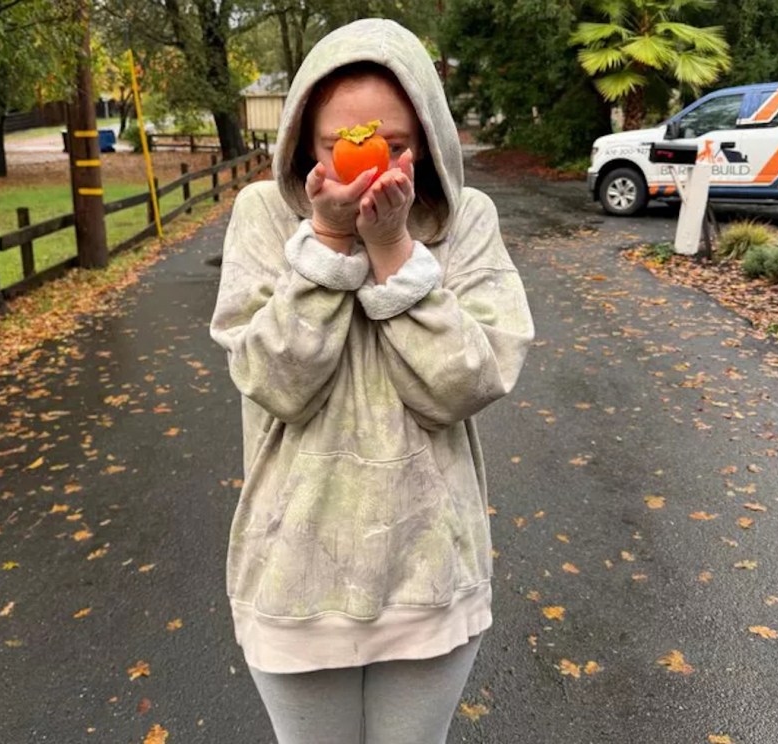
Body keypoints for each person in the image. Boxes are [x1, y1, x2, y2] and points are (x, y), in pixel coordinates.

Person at [210, 17, 534, 744]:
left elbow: (465, 384)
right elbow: (272, 380)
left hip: (428, 571)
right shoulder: (263, 216)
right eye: (338, 145)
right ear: (302, 143)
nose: (366, 161)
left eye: (394, 143)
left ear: (429, 137)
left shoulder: (467, 219)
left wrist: (392, 249)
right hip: (295, 574)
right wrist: (327, 243)